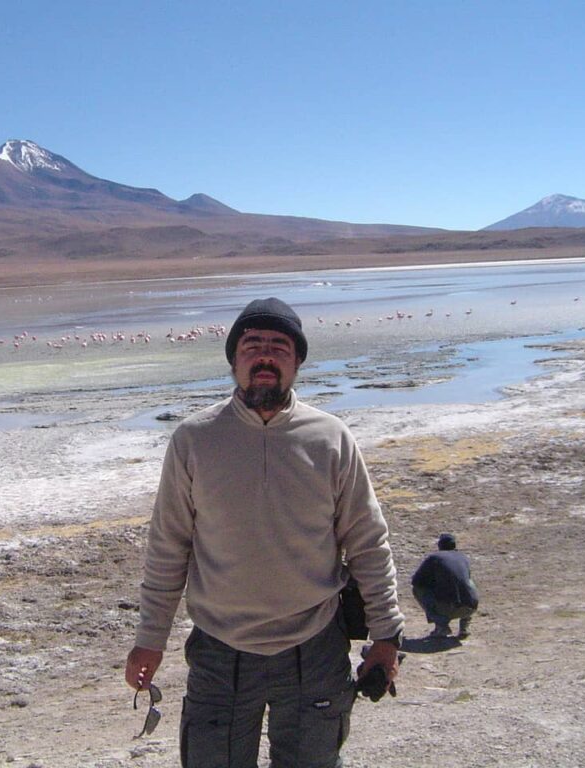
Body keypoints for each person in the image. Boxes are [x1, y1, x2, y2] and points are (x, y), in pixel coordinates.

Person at [125, 297, 405, 768]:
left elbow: (368, 544)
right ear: (235, 360)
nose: (265, 356)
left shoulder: (331, 439)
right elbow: (168, 547)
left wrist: (386, 635)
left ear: (296, 362)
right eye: (252, 345)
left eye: (279, 346)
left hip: (315, 648)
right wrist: (150, 637)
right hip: (219, 650)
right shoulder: (195, 440)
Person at [411, 533, 479, 639]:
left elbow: (416, 581)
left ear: (440, 545)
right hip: (470, 607)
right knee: (467, 584)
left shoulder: (435, 558)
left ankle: (441, 626)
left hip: (448, 609)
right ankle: (464, 628)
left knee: (417, 590)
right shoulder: (463, 557)